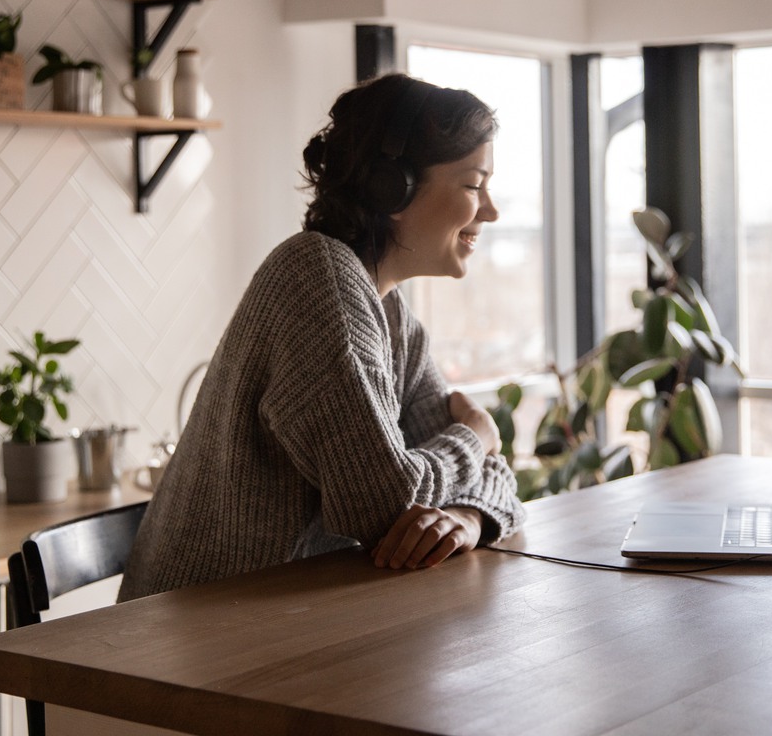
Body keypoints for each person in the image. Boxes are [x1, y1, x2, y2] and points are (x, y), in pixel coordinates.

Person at [118, 72, 525, 600]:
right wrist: (477, 436)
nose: (490, 211)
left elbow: (492, 481)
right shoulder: (318, 279)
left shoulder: (394, 315)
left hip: (274, 624)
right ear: (392, 187)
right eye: (473, 185)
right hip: (184, 641)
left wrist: (468, 517)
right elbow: (386, 505)